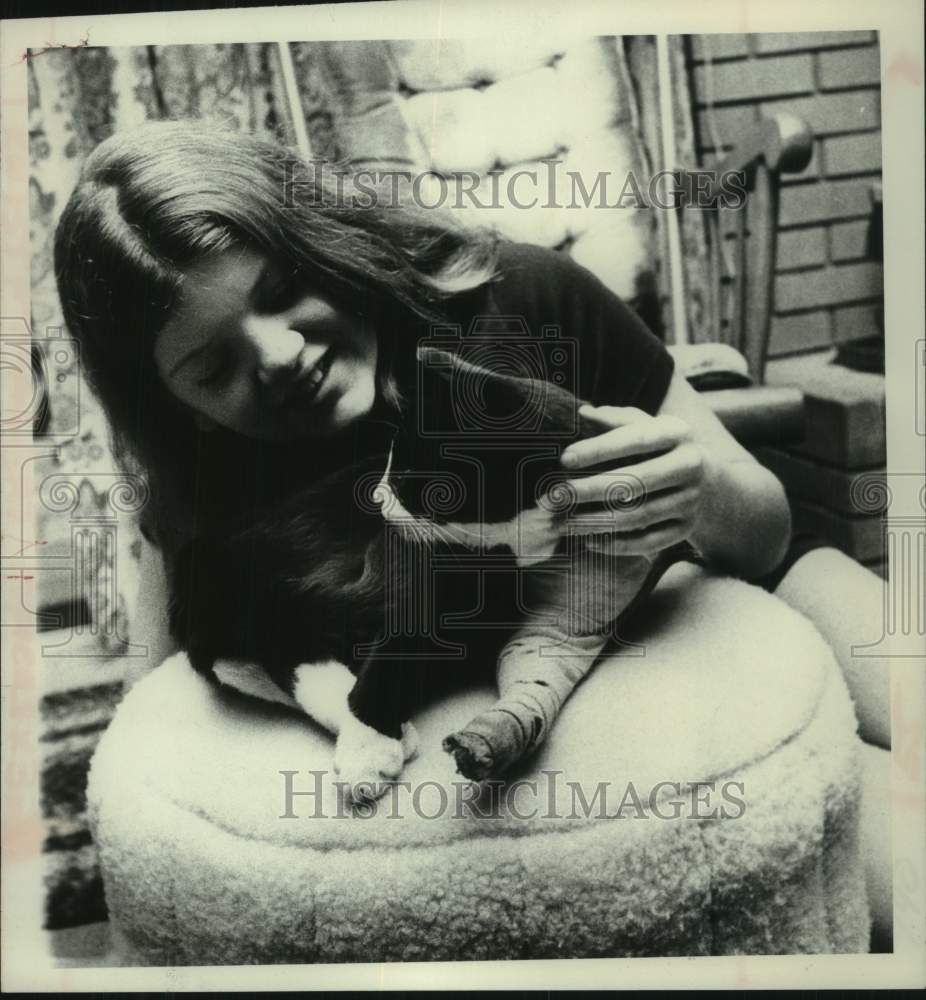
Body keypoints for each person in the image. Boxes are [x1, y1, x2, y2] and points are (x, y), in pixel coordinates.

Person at [53, 120, 890, 946]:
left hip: (708, 587)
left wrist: (699, 488)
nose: (277, 356)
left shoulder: (523, 295)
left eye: (277, 292)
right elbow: (158, 724)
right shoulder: (199, 488)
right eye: (212, 367)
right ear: (172, 405)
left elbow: (766, 537)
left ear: (321, 243)